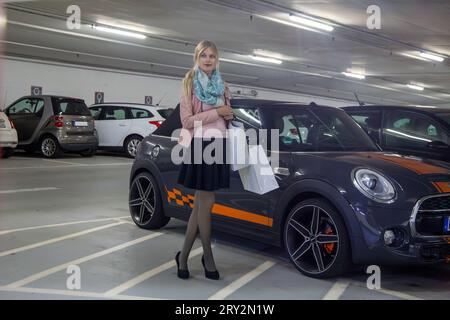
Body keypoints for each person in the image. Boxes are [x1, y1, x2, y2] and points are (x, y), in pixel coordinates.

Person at [175, 40, 234, 280]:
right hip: (201, 145)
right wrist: (216, 113)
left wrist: (228, 114)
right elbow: (187, 121)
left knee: (200, 205)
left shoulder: (223, 85)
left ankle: (184, 255)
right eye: (203, 56)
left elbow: (227, 115)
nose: (208, 60)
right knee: (206, 203)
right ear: (197, 58)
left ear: (217, 59)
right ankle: (207, 255)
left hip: (219, 144)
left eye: (212, 56)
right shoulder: (189, 82)